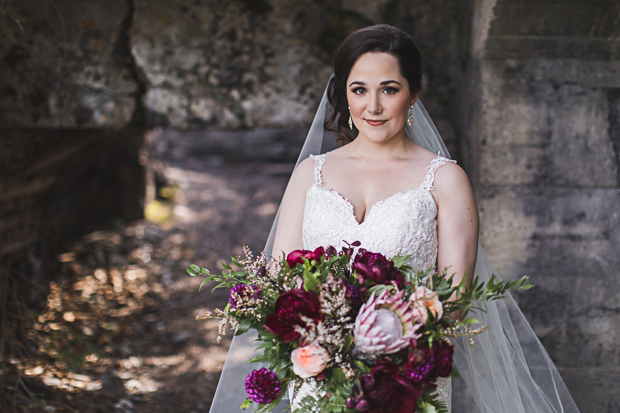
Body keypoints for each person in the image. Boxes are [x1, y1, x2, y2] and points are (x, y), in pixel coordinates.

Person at [208, 25, 581, 413]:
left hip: (405, 380)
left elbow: (453, 301)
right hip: (319, 374)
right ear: (345, 95)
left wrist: (378, 348)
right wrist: (332, 345)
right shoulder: (310, 174)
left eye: (389, 89)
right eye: (359, 90)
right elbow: (280, 281)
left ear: (413, 95)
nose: (373, 106)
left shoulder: (444, 179)